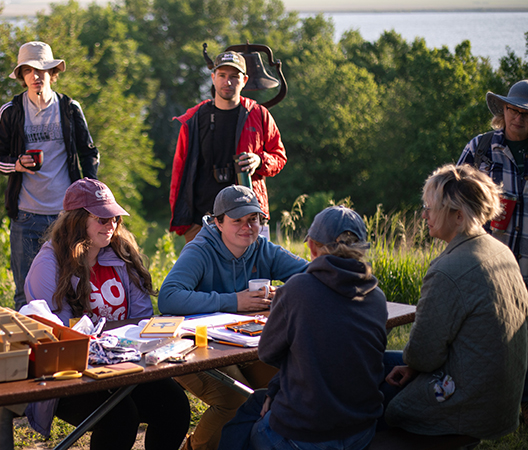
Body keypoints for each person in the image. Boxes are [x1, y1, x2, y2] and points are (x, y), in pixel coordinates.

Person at [24, 178, 190, 450]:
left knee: (174, 404)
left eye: (114, 218)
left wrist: (101, 328)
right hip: (71, 375)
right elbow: (62, 335)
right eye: (101, 218)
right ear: (76, 220)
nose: (111, 225)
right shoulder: (49, 263)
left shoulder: (122, 254)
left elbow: (142, 319)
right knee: (120, 417)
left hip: (124, 365)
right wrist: (116, 327)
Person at [219, 206, 388, 450]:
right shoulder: (377, 296)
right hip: (361, 430)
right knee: (265, 398)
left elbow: (267, 352)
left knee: (242, 424)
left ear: (312, 247)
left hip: (302, 435)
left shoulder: (297, 289)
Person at [158, 184, 309, 450]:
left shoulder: (263, 248)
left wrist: (283, 294)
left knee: (287, 384)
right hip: (193, 347)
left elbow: (312, 275)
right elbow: (168, 297)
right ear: (218, 222)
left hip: (244, 345)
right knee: (234, 399)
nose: (247, 227)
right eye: (236, 220)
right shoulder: (200, 250)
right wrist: (233, 301)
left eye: (253, 219)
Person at [384, 164, 528, 439]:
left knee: (370, 394)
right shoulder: (501, 252)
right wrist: (413, 365)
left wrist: (413, 364)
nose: (424, 215)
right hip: (501, 402)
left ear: (459, 217)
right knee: (386, 364)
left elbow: (422, 356)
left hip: (468, 405)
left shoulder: (447, 270)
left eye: (430, 208)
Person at [0, 41, 99, 310]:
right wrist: (17, 164)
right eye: (29, 71)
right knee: (24, 291)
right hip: (26, 215)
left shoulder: (69, 108)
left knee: (73, 284)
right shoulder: (12, 111)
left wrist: (90, 195)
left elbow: (89, 153)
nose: (36, 77)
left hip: (66, 216)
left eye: (41, 70)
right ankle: (27, 350)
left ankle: (72, 343)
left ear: (52, 74)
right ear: (22, 76)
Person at [457, 79, 528, 419]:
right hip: (483, 266)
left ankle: (520, 405)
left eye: (527, 113)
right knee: (481, 337)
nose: (520, 118)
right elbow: (452, 199)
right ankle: (479, 405)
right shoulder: (482, 148)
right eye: (514, 110)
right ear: (503, 110)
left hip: (526, 266)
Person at [169, 51, 287, 242]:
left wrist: (259, 160)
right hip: (202, 221)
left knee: (253, 271)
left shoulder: (259, 114)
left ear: (245, 80)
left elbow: (279, 157)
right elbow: (179, 171)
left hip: (247, 217)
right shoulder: (194, 118)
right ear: (213, 77)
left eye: (234, 76)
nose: (228, 82)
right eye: (222, 75)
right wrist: (182, 219)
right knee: (203, 272)